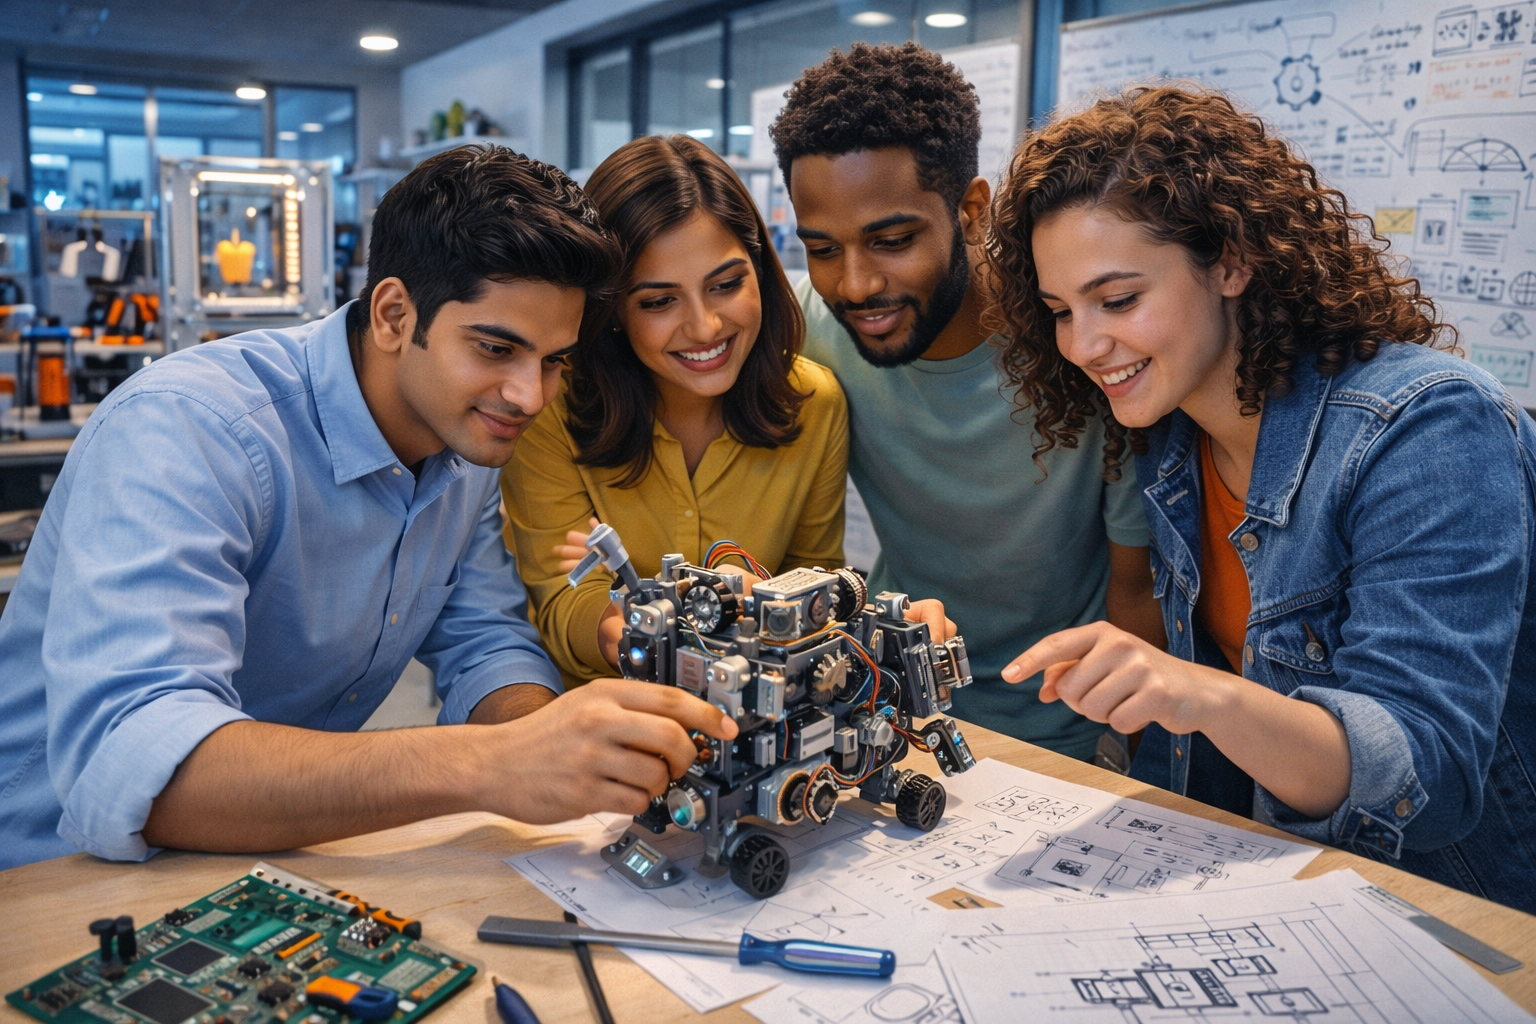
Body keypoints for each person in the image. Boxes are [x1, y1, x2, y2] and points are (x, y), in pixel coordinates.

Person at [0, 146, 737, 871]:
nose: (528, 396)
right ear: (392, 314)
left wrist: (561, 744)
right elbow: (133, 768)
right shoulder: (189, 429)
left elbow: (481, 640)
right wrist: (491, 762)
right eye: (494, 348)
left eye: (552, 360)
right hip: (53, 875)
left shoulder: (467, 442)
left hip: (272, 856)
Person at [990, 85, 1536, 912]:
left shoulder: (1428, 425)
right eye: (1061, 311)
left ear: (1232, 260)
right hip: (1290, 897)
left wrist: (1191, 692)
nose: (1084, 345)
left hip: (1461, 916)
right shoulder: (1173, 435)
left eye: (1119, 299)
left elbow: (1426, 774)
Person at [769, 42, 1164, 762]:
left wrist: (1121, 745)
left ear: (972, 208)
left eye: (891, 241)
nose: (854, 284)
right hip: (887, 712)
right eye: (822, 249)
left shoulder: (1079, 343)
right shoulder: (813, 329)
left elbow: (1135, 592)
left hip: (1064, 730)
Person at [501, 134, 857, 685]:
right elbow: (565, 602)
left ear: (759, 271)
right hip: (605, 723)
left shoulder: (816, 404)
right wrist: (651, 630)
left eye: (725, 284)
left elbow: (817, 580)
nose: (705, 327)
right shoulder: (550, 407)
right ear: (614, 308)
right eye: (659, 301)